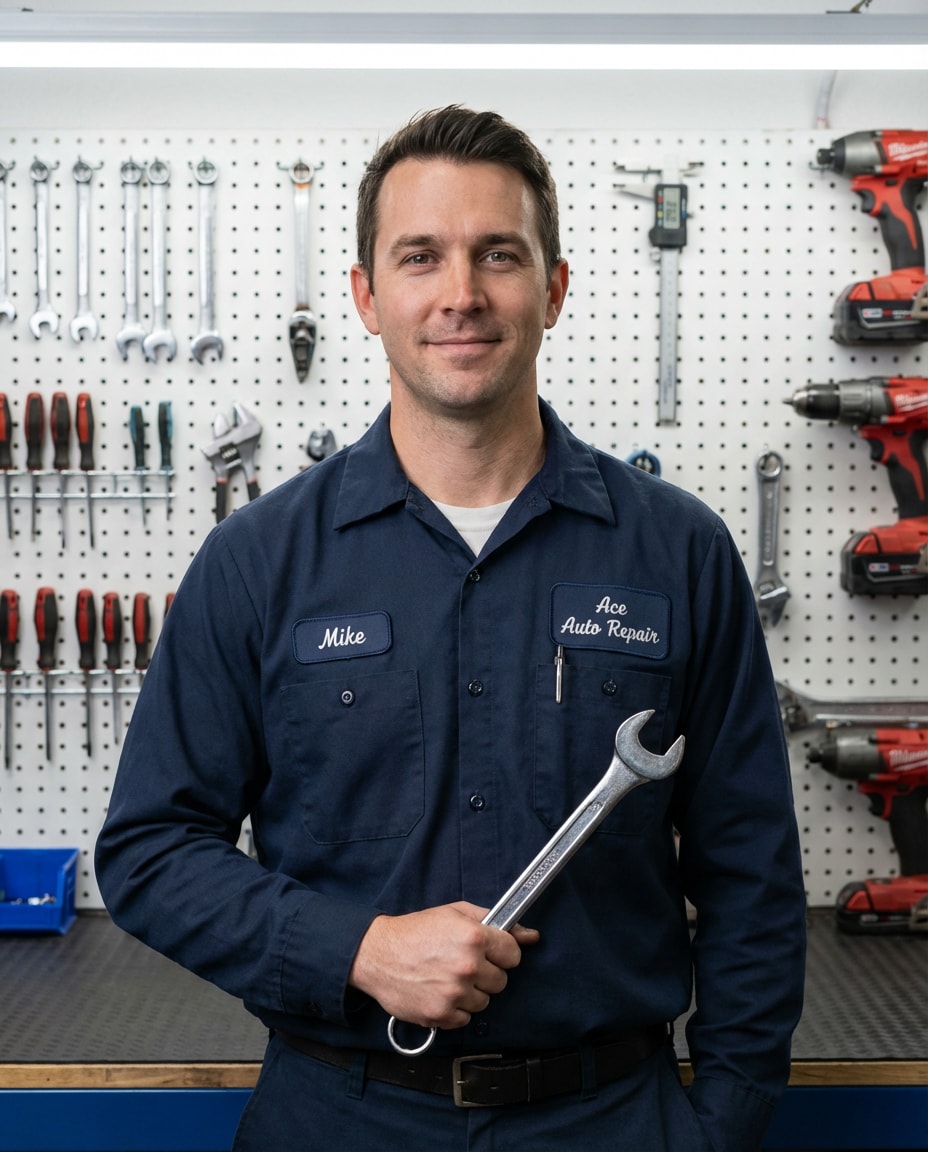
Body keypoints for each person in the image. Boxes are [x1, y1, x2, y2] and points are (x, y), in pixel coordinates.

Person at [95, 105, 806, 1152]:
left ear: (554, 289)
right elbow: (152, 852)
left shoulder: (678, 553)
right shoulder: (257, 561)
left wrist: (727, 1119)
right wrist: (358, 951)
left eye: (499, 256)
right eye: (419, 257)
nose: (460, 295)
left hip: (614, 1118)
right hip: (337, 1116)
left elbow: (749, 869)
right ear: (366, 297)